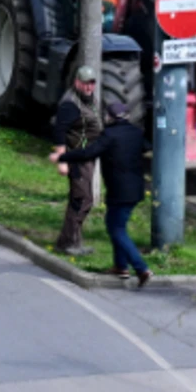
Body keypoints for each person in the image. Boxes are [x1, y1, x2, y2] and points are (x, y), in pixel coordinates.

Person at [53, 92, 152, 286]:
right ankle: (120, 267)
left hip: (118, 191)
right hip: (136, 190)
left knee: (116, 229)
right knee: (116, 224)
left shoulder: (109, 136)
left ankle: (141, 268)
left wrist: (64, 157)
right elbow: (146, 146)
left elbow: (89, 152)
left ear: (108, 118)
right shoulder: (136, 133)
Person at [50, 67, 97, 257]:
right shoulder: (70, 104)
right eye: (85, 82)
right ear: (76, 81)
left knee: (82, 198)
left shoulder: (87, 99)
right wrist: (62, 161)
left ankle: (69, 240)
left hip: (85, 157)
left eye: (91, 82)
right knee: (81, 199)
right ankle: (68, 243)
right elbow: (59, 132)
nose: (88, 86)